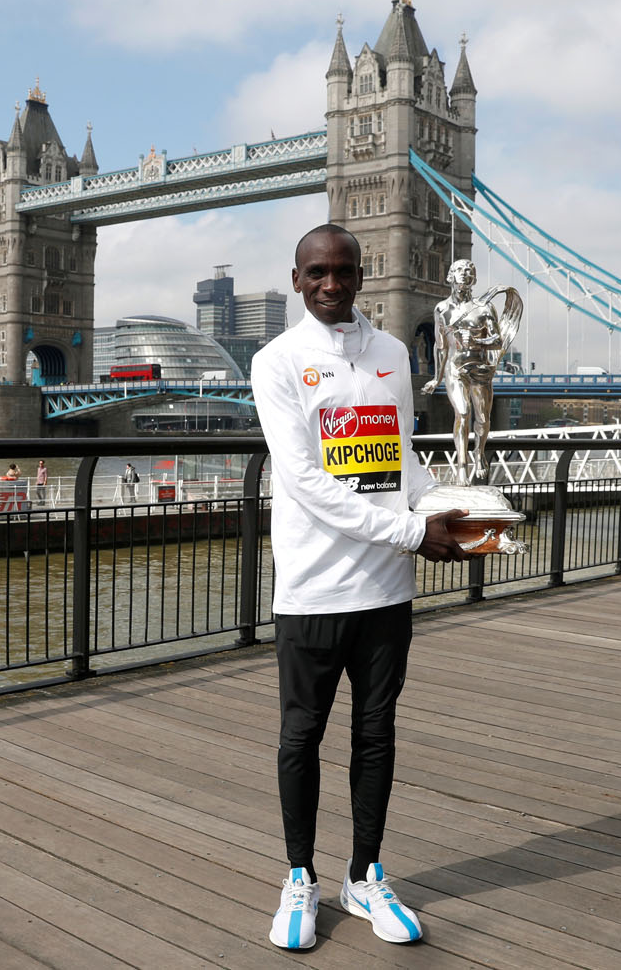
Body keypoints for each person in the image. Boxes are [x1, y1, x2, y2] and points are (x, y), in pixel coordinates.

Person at [250, 223, 465, 951]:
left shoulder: (394, 354)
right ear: (297, 278)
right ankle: (300, 877)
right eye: (317, 272)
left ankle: (365, 874)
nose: (331, 284)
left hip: (385, 590)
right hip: (313, 588)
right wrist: (410, 532)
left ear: (362, 275)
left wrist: (450, 510)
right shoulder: (276, 361)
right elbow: (304, 481)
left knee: (376, 734)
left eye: (343, 271)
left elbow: (398, 457)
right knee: (301, 737)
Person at [420, 259, 522, 483]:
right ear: (450, 276)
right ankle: (462, 466)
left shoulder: (484, 308)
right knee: (463, 412)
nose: (465, 273)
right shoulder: (441, 309)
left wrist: (476, 340)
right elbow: (440, 347)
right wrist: (436, 379)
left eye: (469, 271)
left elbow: (497, 341)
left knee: (483, 419)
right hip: (455, 369)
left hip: (481, 369)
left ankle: (479, 453)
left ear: (474, 279)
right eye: (460, 270)